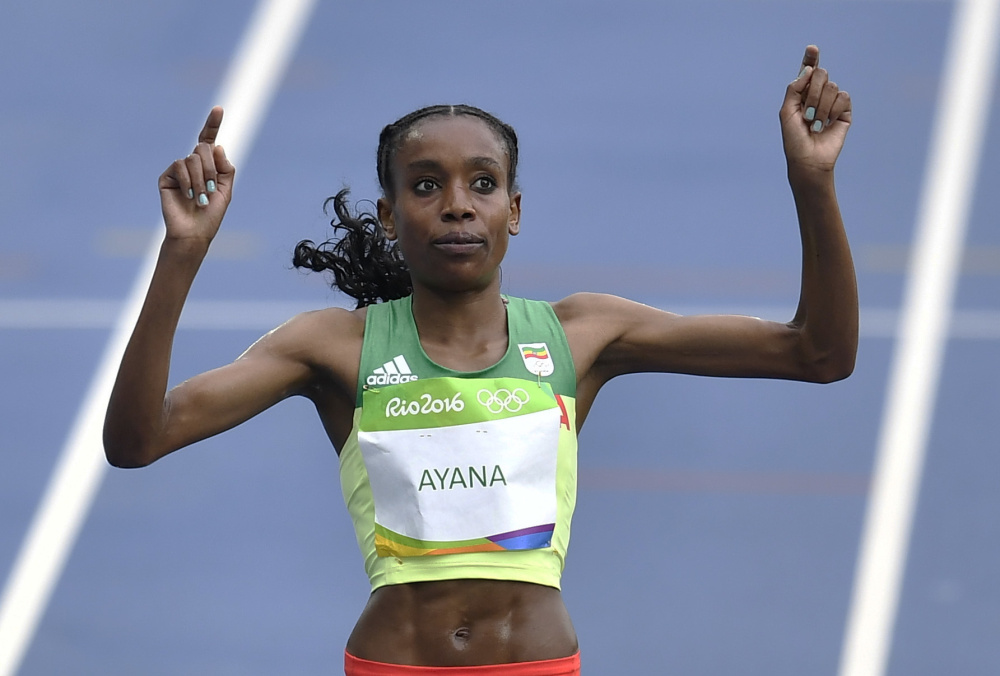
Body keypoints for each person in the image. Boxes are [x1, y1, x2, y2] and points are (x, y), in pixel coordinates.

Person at [104, 45, 857, 674]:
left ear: (514, 213)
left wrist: (812, 180)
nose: (457, 205)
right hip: (394, 663)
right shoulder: (334, 346)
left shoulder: (582, 335)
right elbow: (138, 440)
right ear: (391, 218)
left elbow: (818, 353)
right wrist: (181, 254)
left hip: (534, 663)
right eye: (426, 186)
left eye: (483, 184)